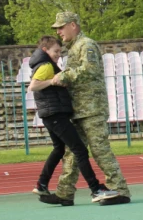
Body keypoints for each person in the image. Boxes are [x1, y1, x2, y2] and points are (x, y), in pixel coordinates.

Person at [39, 11, 132, 206]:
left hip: (92, 109)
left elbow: (89, 69)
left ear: (73, 25)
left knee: (100, 150)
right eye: (56, 29)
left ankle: (120, 190)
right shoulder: (73, 48)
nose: (58, 32)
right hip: (80, 109)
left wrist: (64, 77)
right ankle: (65, 193)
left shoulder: (86, 45)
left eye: (61, 27)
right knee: (72, 151)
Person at [28, 36, 120, 204]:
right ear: (44, 50)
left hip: (50, 114)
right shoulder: (46, 65)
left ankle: (42, 183)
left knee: (59, 149)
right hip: (55, 114)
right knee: (80, 151)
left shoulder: (43, 63)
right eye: (55, 51)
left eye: (59, 52)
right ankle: (95, 189)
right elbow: (33, 86)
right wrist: (54, 81)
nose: (58, 55)